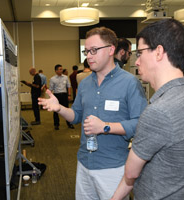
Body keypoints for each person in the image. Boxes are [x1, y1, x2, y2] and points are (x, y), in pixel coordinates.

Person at [39, 27, 147, 199]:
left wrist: (105, 127)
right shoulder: (84, 84)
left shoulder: (129, 83)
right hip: (84, 163)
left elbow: (141, 124)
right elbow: (76, 116)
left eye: (94, 50)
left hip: (112, 167)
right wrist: (60, 108)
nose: (88, 56)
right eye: (86, 51)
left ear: (111, 49)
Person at [111, 19, 184, 200]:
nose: (137, 61)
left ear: (158, 52)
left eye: (140, 53)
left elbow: (131, 172)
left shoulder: (159, 111)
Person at [49, 64, 74, 130]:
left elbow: (69, 86)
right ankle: (56, 125)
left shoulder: (66, 77)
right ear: (56, 71)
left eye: (61, 69)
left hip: (64, 95)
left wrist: (69, 95)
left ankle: (69, 124)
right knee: (55, 110)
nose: (61, 70)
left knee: (67, 110)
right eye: (60, 69)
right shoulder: (52, 79)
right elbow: (51, 89)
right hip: (56, 95)